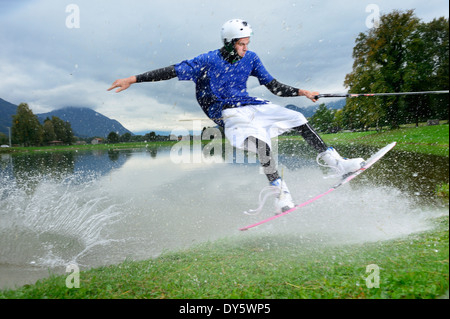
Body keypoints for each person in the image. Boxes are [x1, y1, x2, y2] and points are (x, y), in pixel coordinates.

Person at [108, 19, 365, 214]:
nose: (245, 48)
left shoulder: (251, 58)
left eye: (247, 44)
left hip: (253, 104)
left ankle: (336, 163)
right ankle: (280, 192)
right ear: (229, 43)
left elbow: (273, 86)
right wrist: (133, 79)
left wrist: (302, 91)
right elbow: (171, 71)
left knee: (298, 119)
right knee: (261, 144)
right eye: (241, 44)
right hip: (227, 112)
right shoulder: (207, 60)